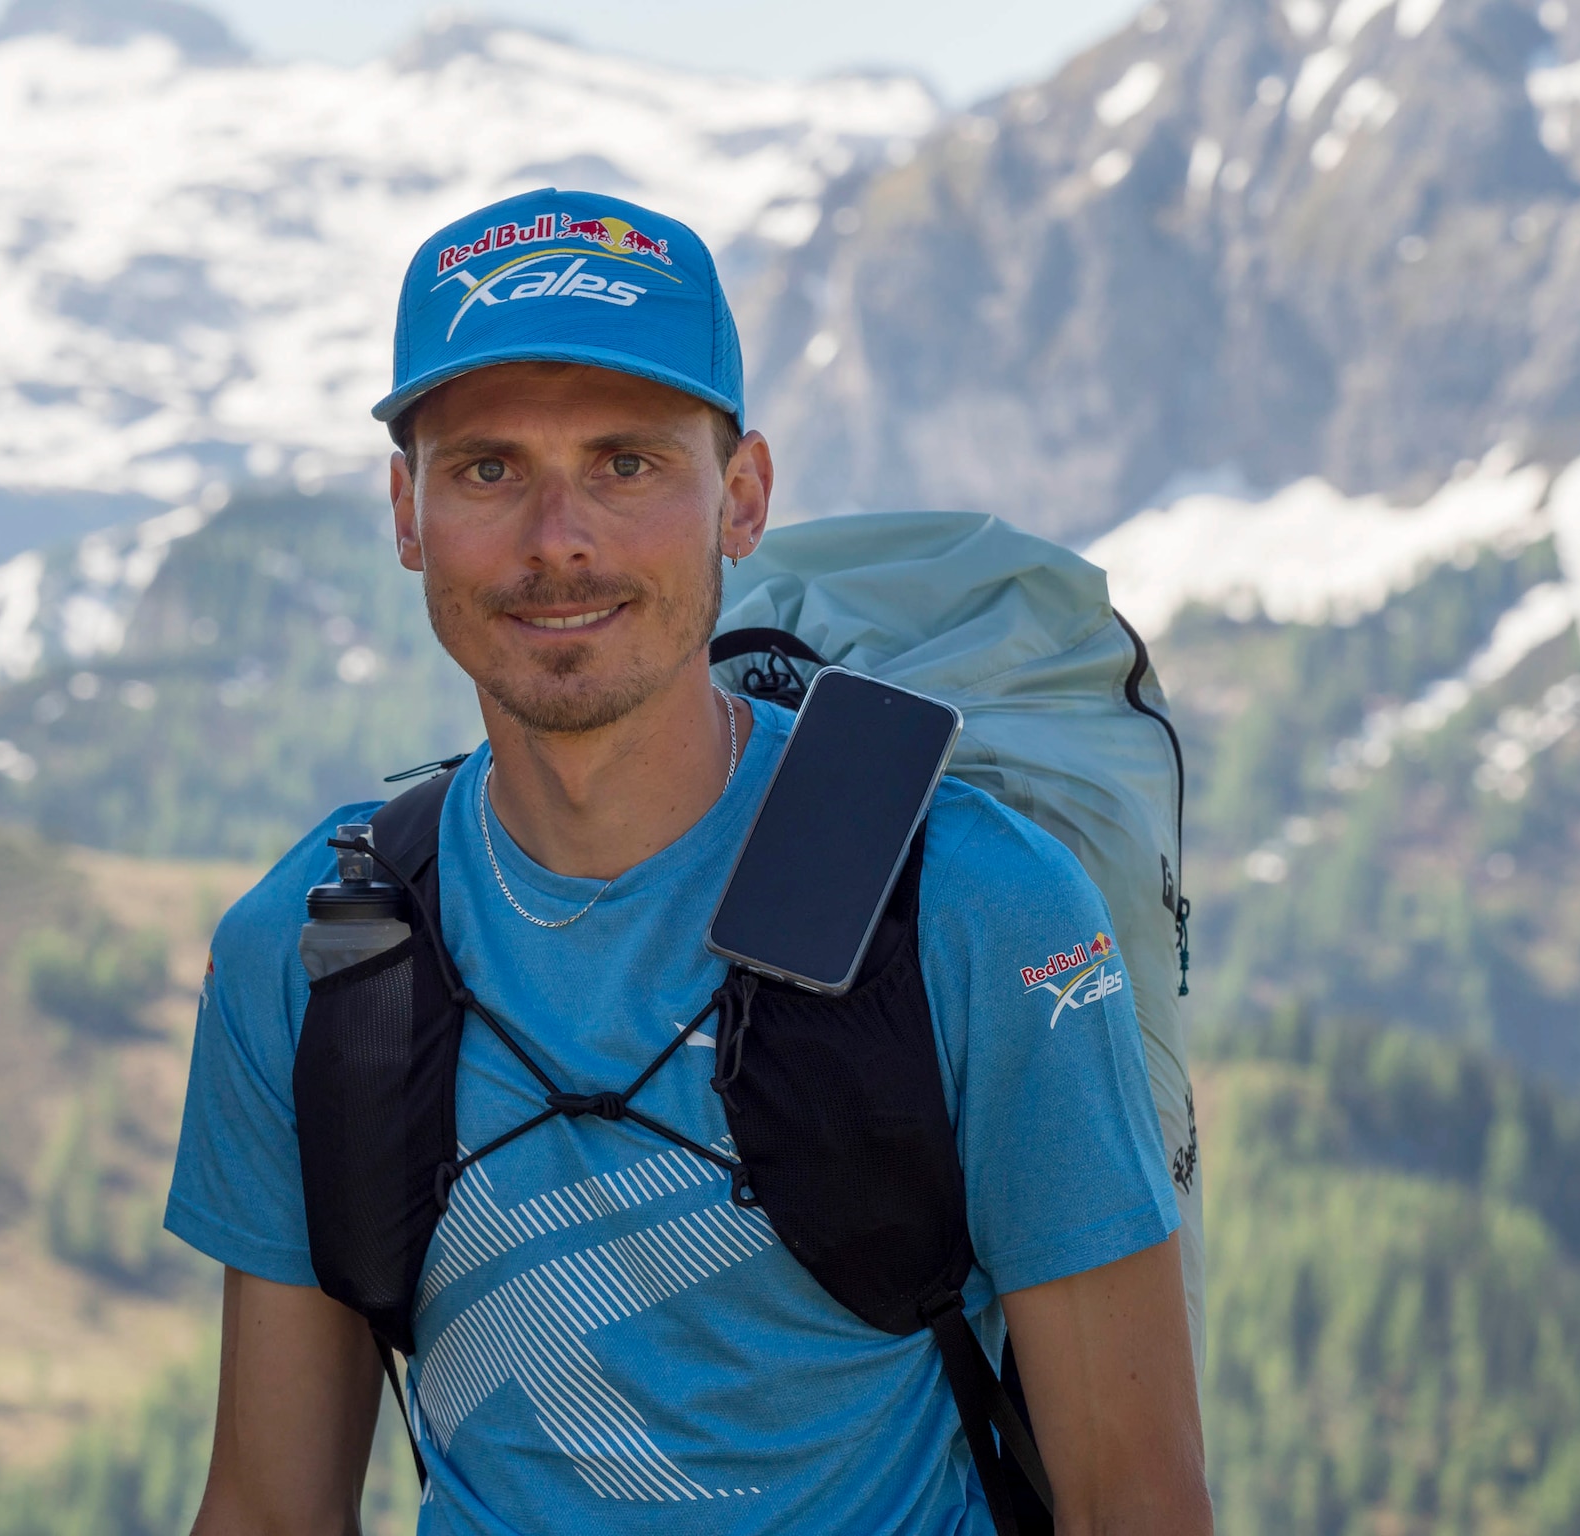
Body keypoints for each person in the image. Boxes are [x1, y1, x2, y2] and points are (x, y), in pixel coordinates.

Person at [165, 189, 1212, 1535]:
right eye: (488, 469)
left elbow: (1137, 1498)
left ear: (745, 496)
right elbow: (265, 1508)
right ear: (405, 510)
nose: (560, 540)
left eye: (627, 463)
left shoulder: (968, 901)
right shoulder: (321, 950)